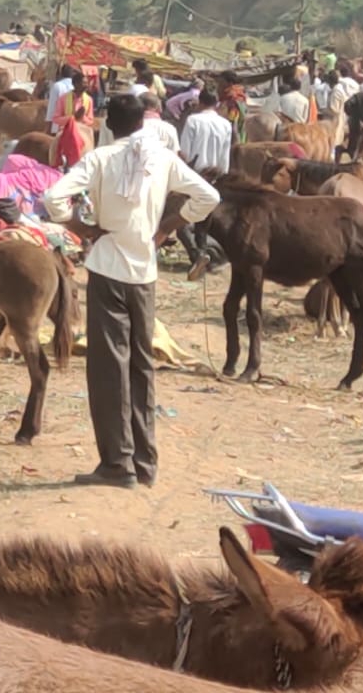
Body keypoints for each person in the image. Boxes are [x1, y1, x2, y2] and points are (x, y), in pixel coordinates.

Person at [41, 94, 219, 488]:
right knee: (142, 365)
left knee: (109, 369)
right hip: (145, 273)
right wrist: (170, 223)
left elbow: (53, 198)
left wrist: (79, 227)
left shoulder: (100, 158)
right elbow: (209, 196)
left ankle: (117, 463)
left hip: (107, 270)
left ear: (110, 124)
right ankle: (145, 461)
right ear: (143, 123)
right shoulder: (161, 158)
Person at [178, 87, 232, 278]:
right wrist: (222, 176)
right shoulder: (225, 124)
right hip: (216, 175)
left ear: (200, 102)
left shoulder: (193, 121)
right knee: (207, 218)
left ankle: (199, 254)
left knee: (182, 218)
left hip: (195, 173)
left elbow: (185, 151)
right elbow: (225, 155)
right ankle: (211, 255)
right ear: (216, 104)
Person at [217, 70, 248, 144]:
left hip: (234, 112)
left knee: (233, 126)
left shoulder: (231, 94)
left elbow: (232, 113)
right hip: (240, 112)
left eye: (221, 82)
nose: (219, 85)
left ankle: (236, 145)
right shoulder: (238, 90)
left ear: (229, 83)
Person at [46, 64, 75, 134]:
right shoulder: (76, 85)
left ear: (61, 74)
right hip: (73, 124)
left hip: (58, 125)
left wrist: (48, 126)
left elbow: (52, 107)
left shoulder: (57, 86)